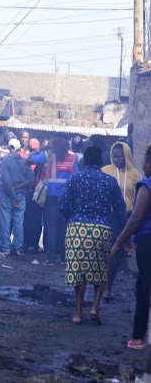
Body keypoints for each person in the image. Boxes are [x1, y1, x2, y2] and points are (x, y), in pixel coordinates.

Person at [59, 146, 126, 325]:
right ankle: (95, 307)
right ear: (102, 161)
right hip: (102, 229)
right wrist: (126, 234)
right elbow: (120, 210)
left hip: (77, 230)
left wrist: (72, 219)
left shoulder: (75, 179)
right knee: (100, 269)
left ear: (84, 161)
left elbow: (63, 205)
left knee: (79, 272)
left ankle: (78, 314)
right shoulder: (110, 181)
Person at [110, 144, 151, 351]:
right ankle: (137, 338)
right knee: (142, 289)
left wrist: (118, 242)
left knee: (147, 289)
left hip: (148, 242)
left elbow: (136, 217)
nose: (142, 165)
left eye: (144, 160)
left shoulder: (146, 185)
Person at [27, 136, 78, 264]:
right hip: (67, 196)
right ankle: (62, 255)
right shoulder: (73, 157)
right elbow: (76, 177)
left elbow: (26, 161)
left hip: (51, 196)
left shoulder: (47, 155)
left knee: (51, 226)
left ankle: (51, 256)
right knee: (64, 226)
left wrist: (39, 149)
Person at [102, 142, 141, 300]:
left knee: (115, 254)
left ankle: (108, 288)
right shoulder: (105, 171)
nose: (116, 159)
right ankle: (101, 287)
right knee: (104, 253)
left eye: (120, 156)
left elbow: (138, 196)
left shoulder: (135, 174)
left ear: (127, 156)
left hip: (125, 217)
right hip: (107, 216)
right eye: (114, 156)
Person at [0, 138, 35, 255]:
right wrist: (19, 188)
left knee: (5, 221)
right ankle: (18, 247)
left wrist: (13, 193)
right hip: (20, 195)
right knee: (19, 221)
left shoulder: (5, 161)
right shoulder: (25, 161)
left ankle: (5, 248)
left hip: (7, 194)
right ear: (19, 148)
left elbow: (6, 181)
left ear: (9, 148)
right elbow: (31, 179)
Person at [23, 138, 44, 252]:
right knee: (36, 220)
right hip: (40, 194)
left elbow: (27, 160)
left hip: (33, 192)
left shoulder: (37, 160)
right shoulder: (44, 160)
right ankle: (34, 244)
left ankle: (27, 242)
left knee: (29, 219)